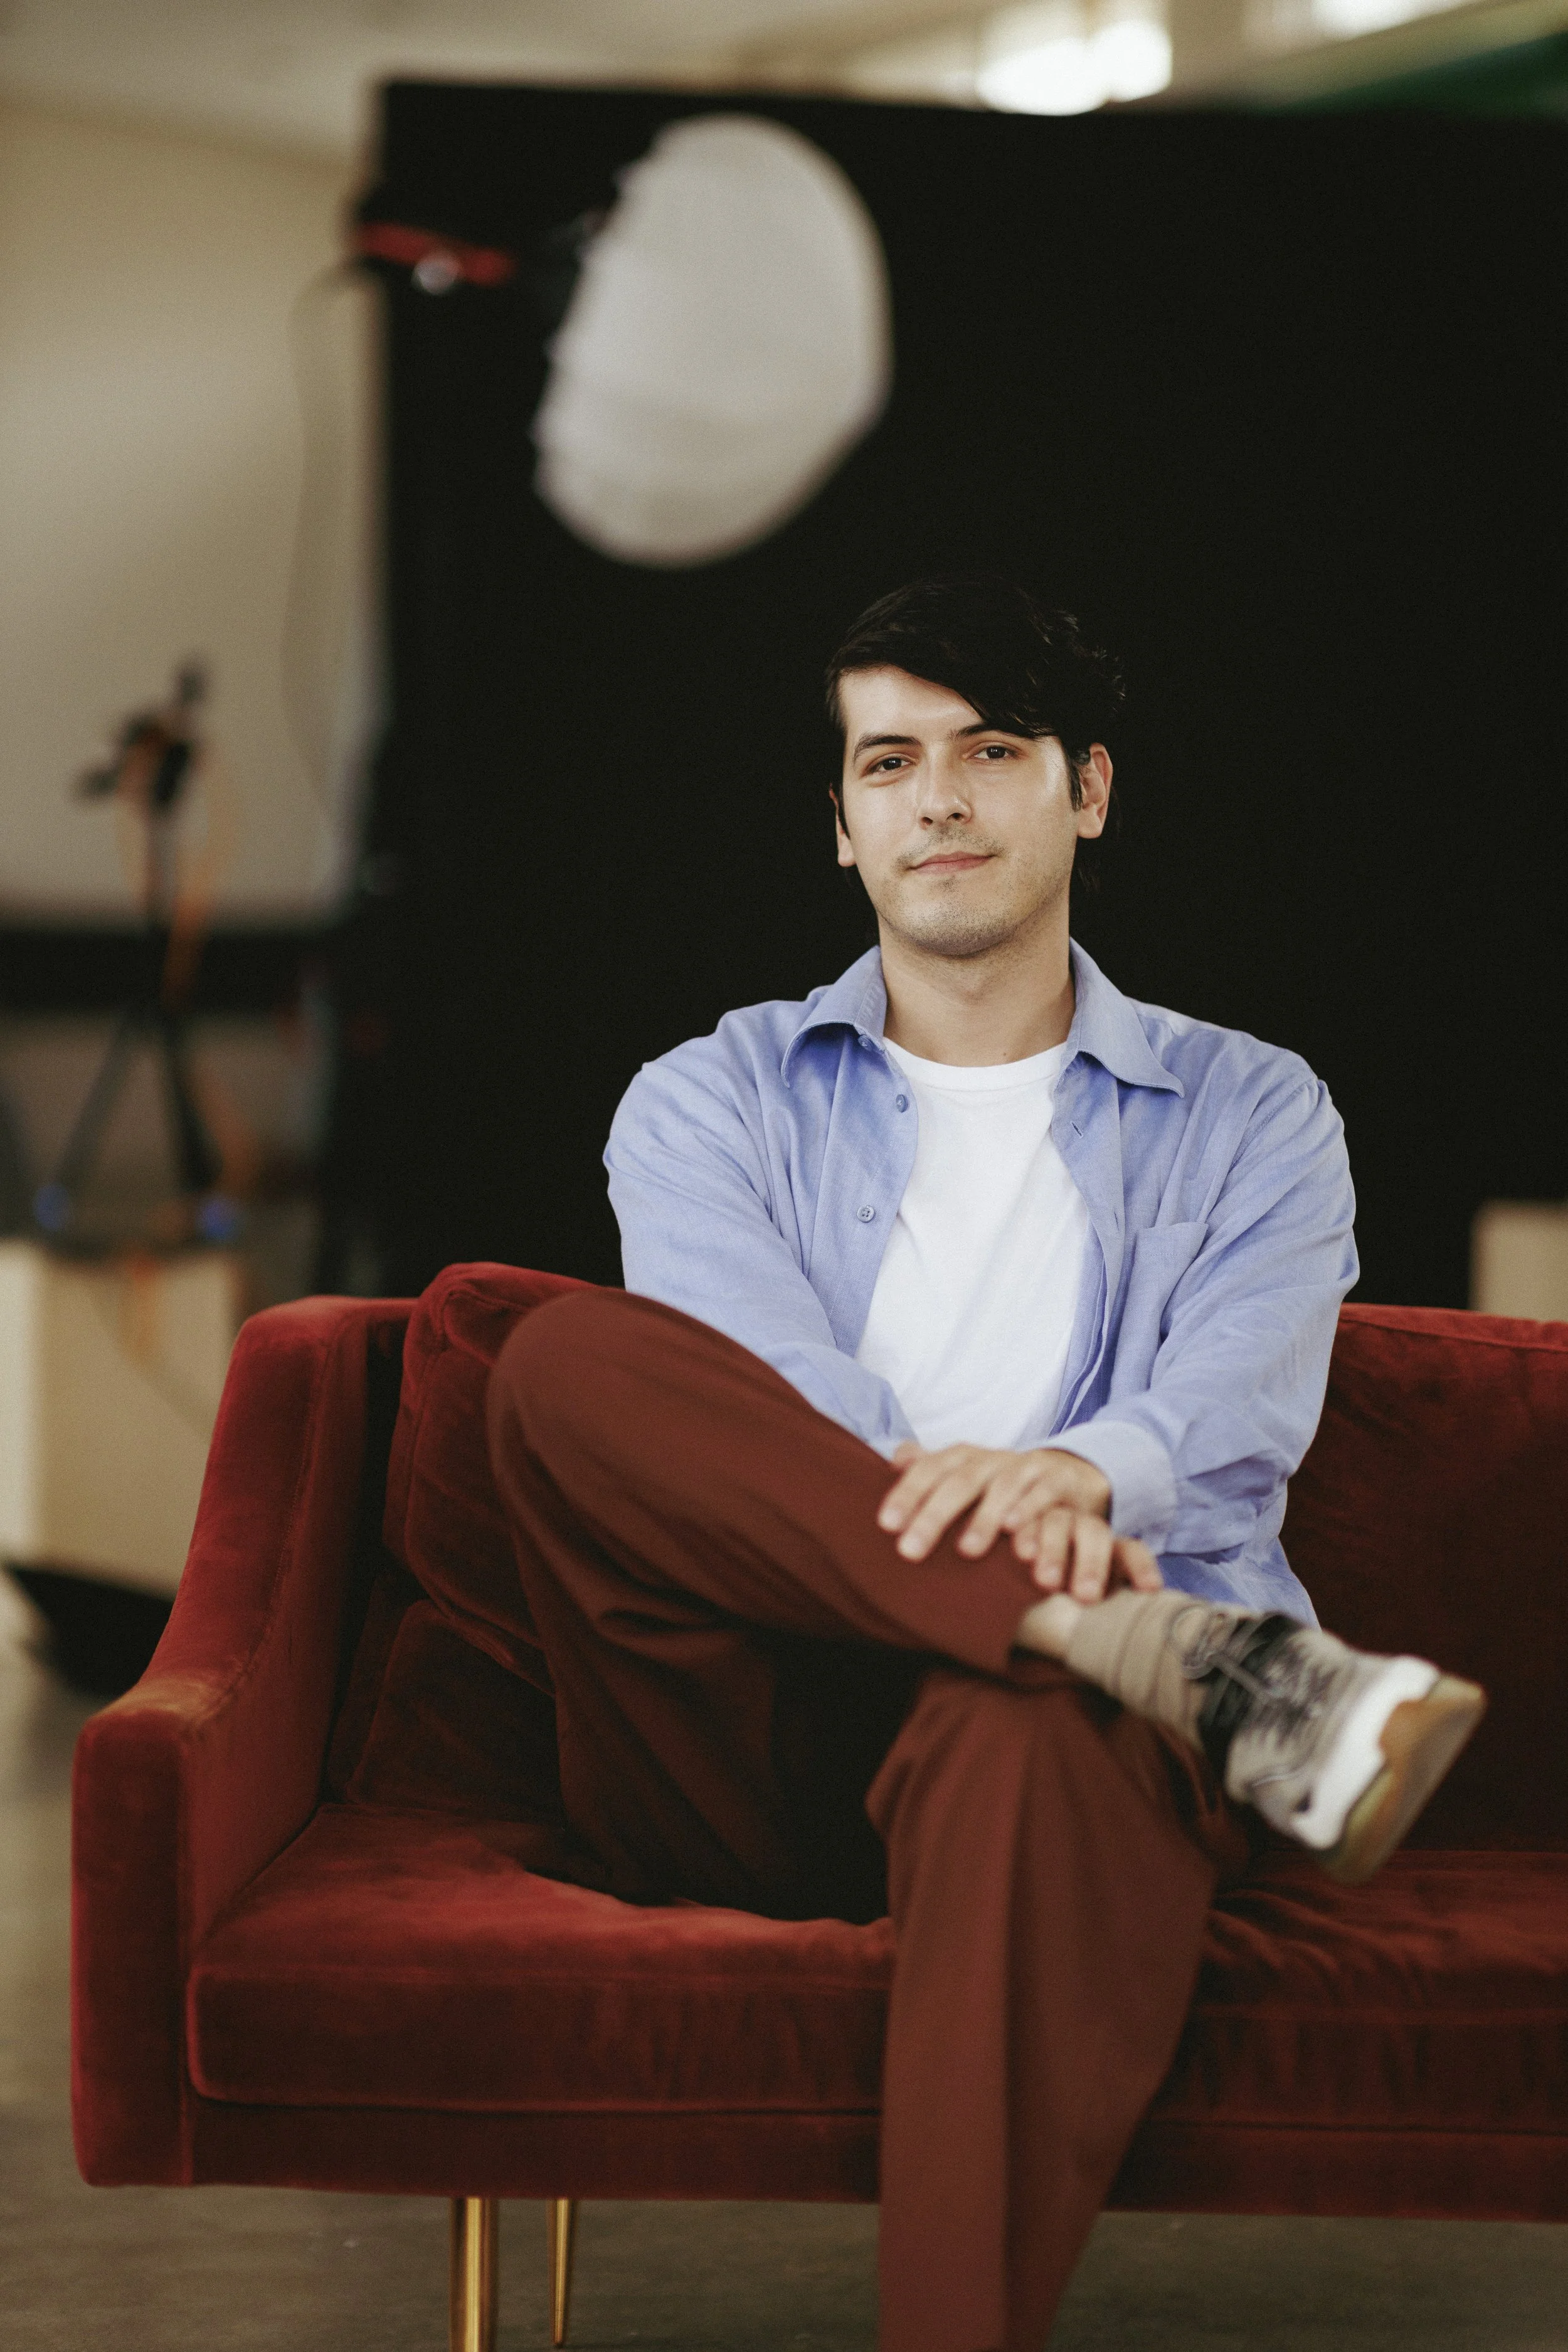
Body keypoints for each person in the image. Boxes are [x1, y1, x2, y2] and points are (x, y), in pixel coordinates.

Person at [482, 576, 1482, 2352]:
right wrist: (1043, 1571)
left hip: (1063, 1750)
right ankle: (1140, 1642)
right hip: (750, 1723)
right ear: (842, 823)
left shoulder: (1256, 1111)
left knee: (1029, 1724)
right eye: (889, 762)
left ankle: (1099, 1657)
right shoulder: (708, 1098)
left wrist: (1089, 1475)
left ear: (1086, 789)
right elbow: (754, 1409)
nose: (937, 799)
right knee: (560, 1361)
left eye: (991, 750)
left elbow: (1237, 1403)